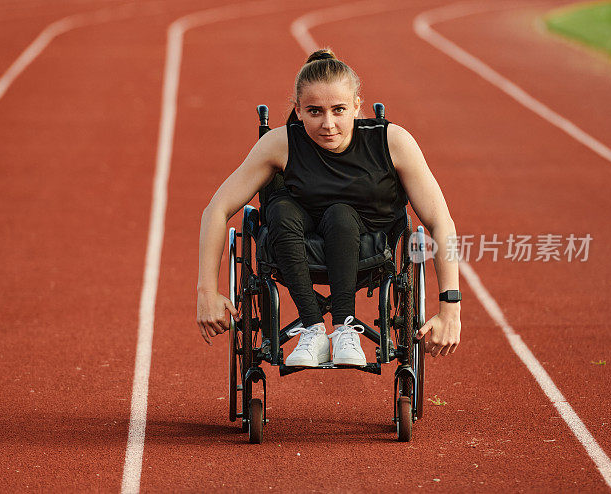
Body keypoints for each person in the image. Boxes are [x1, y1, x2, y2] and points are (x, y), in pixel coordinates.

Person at [196, 48, 461, 366]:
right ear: (298, 110)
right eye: (314, 111)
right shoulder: (280, 143)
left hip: (370, 248)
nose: (328, 124)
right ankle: (313, 329)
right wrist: (206, 293)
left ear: (357, 106)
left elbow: (440, 221)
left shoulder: (393, 142)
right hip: (296, 243)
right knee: (279, 210)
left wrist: (451, 308)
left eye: (339, 110)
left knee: (341, 214)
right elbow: (216, 209)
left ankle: (345, 327)